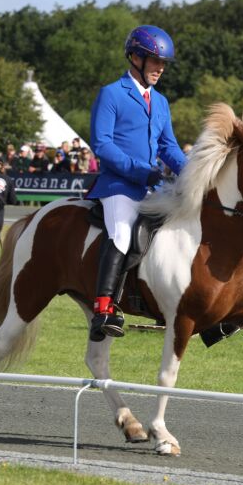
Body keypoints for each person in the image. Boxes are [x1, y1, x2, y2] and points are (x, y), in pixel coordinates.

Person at [86, 24, 187, 341]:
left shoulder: (161, 102)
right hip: (118, 187)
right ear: (135, 57)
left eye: (162, 63)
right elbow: (102, 145)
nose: (160, 68)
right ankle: (103, 308)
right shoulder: (112, 94)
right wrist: (140, 171)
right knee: (121, 234)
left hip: (150, 187)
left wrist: (194, 171)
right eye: (154, 61)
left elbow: (168, 147)